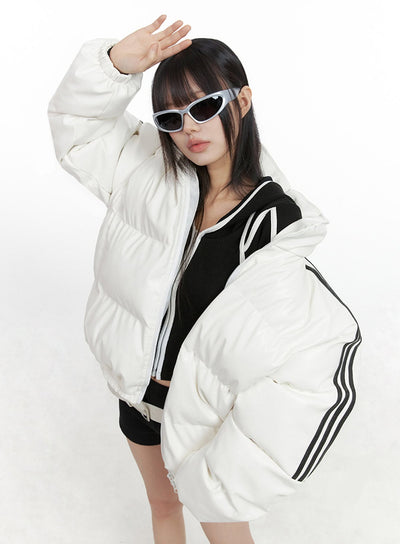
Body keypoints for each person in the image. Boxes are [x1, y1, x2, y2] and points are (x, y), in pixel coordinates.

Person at [47, 14, 362, 544]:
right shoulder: (150, 174)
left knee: (224, 532)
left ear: (242, 100)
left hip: (202, 416)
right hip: (137, 396)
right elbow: (78, 130)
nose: (189, 127)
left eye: (204, 107)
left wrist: (240, 444)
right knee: (162, 507)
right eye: (171, 117)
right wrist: (114, 66)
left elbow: (309, 354)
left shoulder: (271, 220)